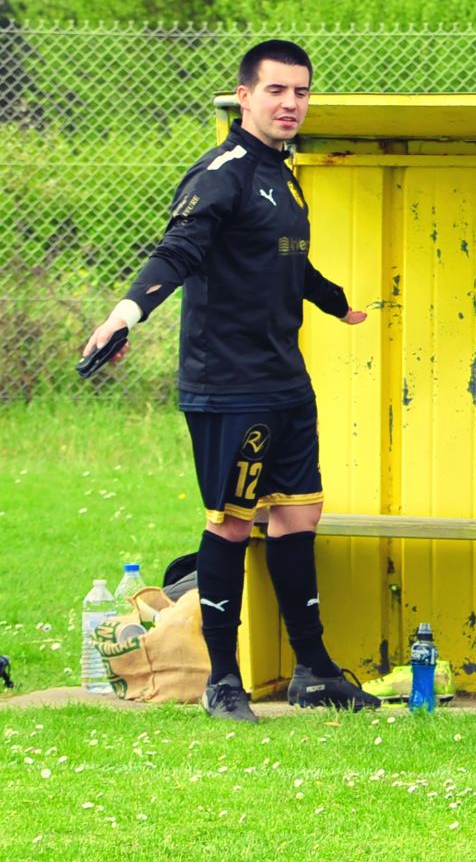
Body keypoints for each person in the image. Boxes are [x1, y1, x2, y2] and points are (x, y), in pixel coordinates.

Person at [80, 39, 378, 721]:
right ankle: (223, 680)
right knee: (232, 525)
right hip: (229, 385)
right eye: (276, 91)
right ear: (244, 96)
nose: (290, 103)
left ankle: (313, 669)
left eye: (301, 92)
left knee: (299, 514)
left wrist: (336, 302)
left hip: (284, 381)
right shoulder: (222, 171)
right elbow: (177, 251)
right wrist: (124, 317)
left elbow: (285, 261)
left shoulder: (285, 171)